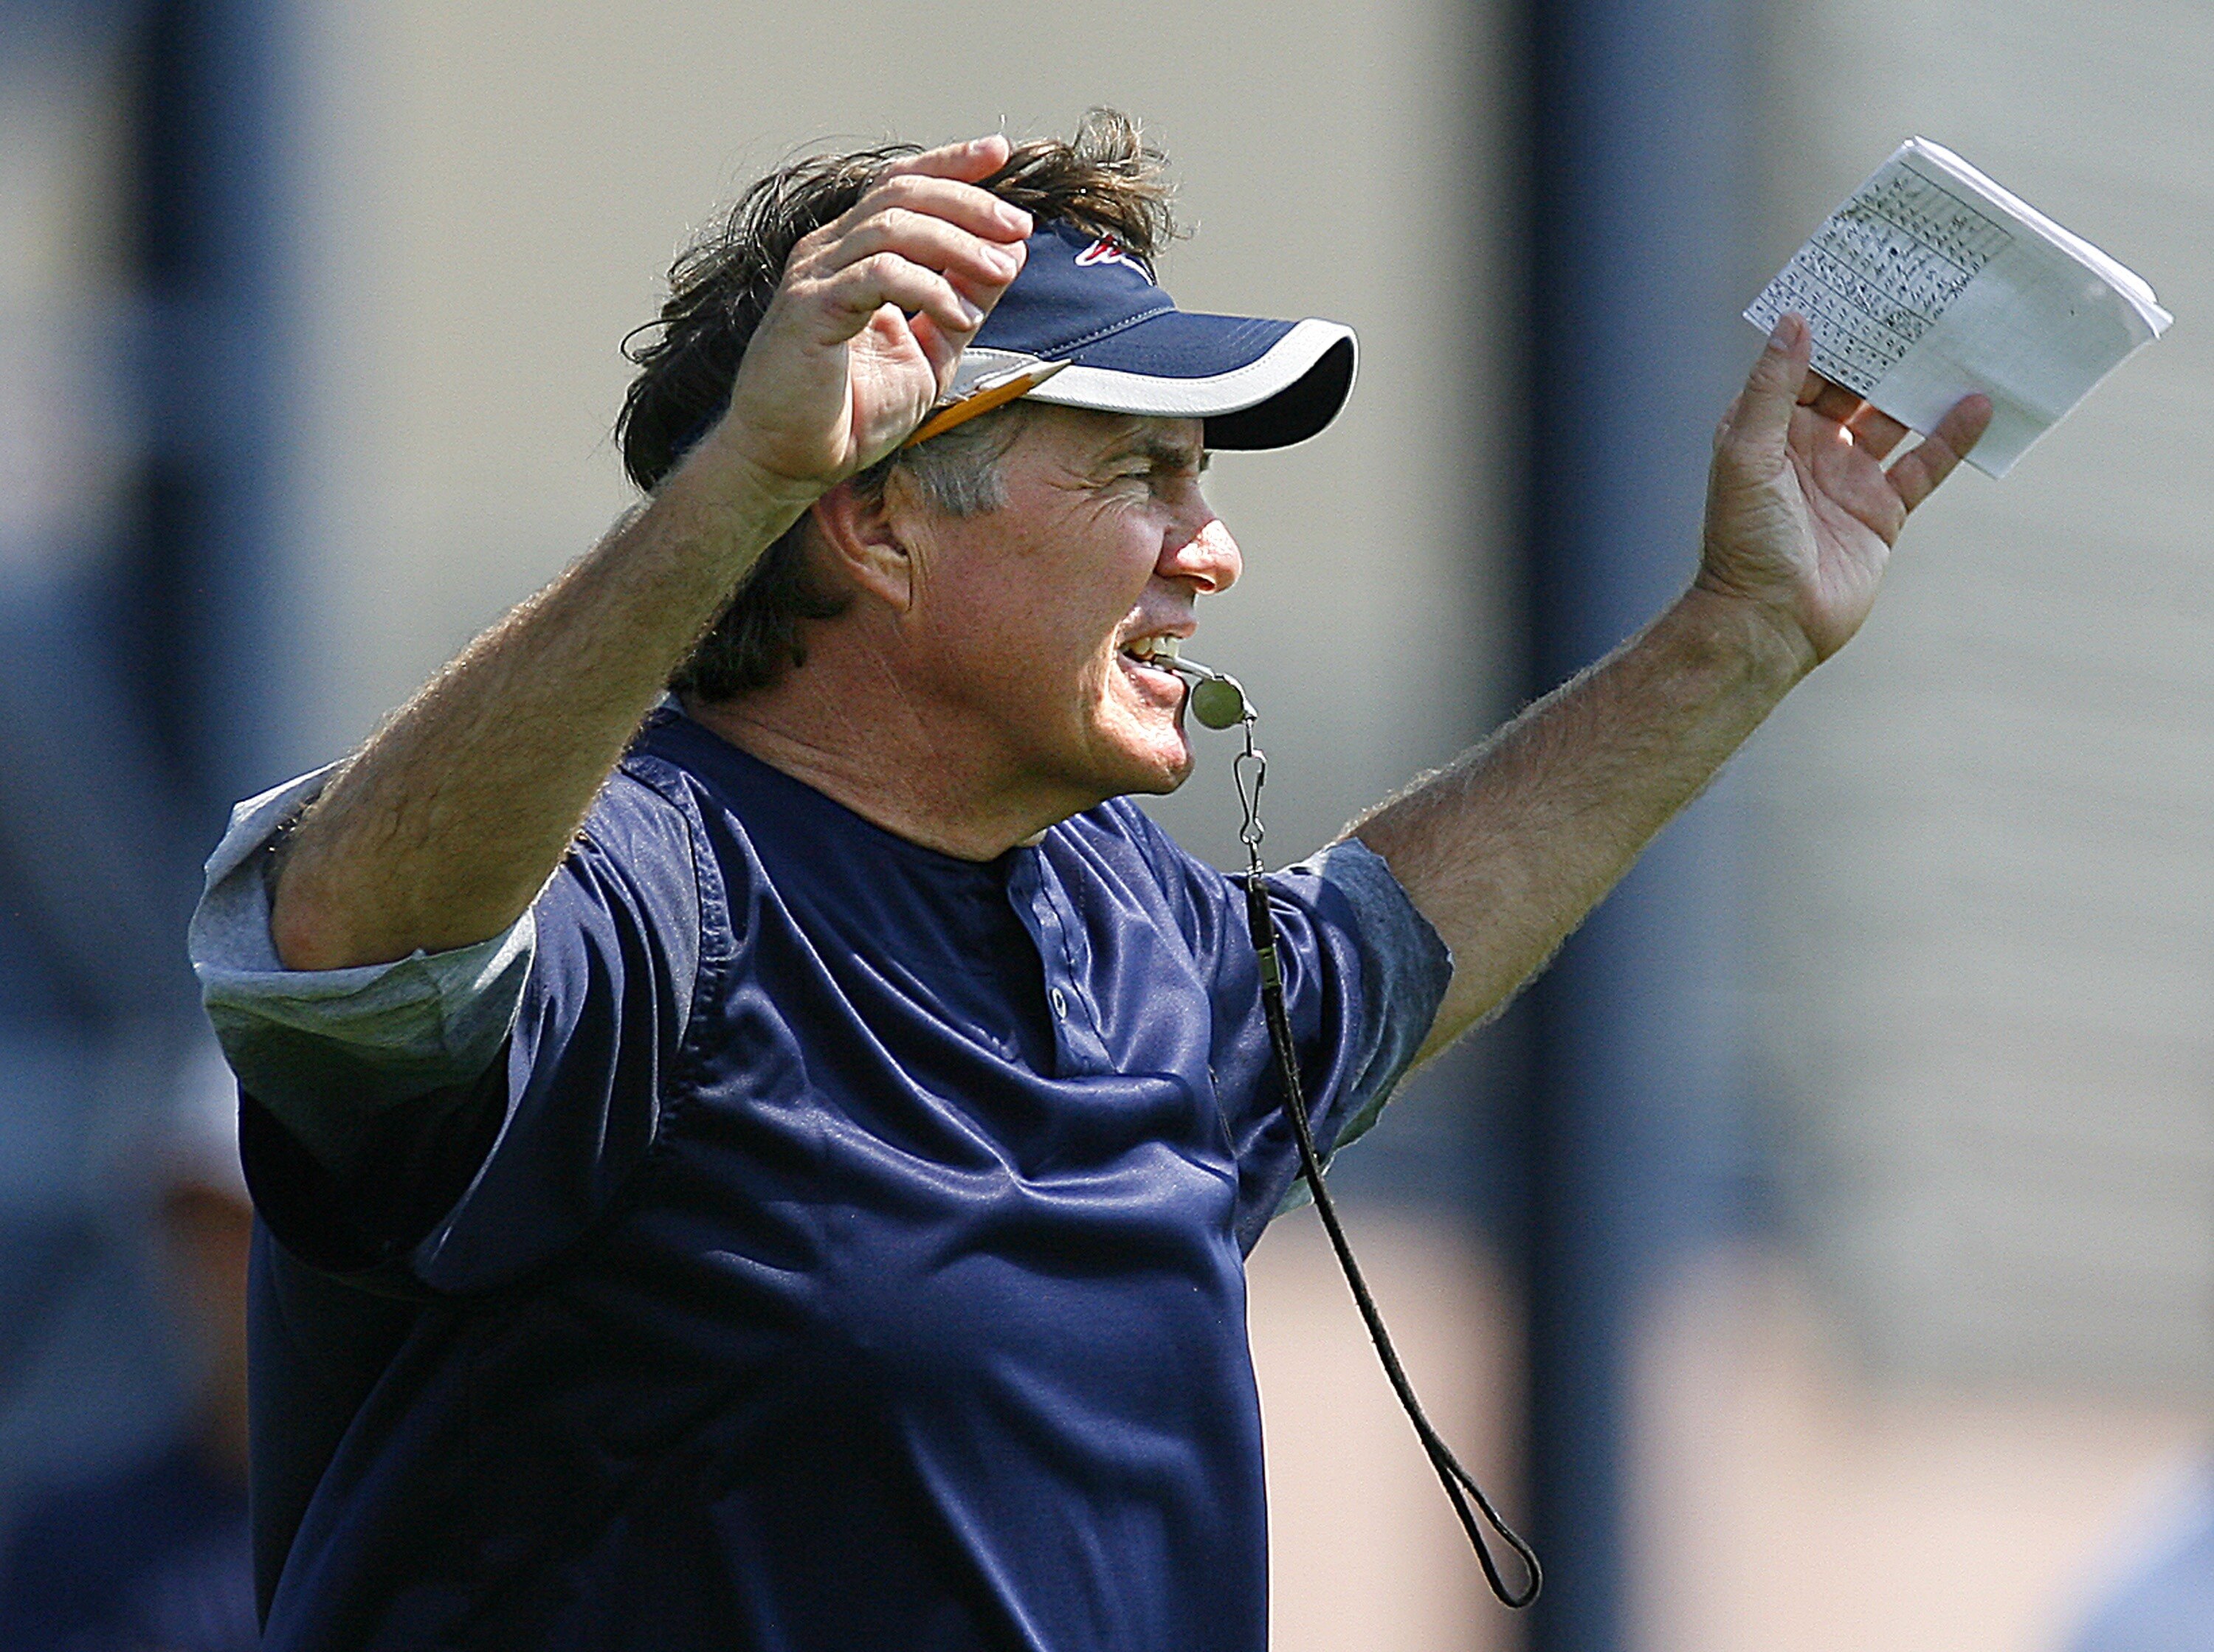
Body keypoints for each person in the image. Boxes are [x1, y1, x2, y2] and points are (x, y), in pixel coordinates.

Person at [190, 111, 1987, 1650]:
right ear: (874, 518)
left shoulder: (1133, 925)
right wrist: (741, 478)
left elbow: (1393, 939)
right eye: (1143, 470)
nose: (1210, 551)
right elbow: (339, 941)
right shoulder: (657, 886)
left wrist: (1738, 633)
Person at [0, 1042, 260, 1651]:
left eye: (253, 1227)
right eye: (201, 1227)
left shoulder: (429, 1523)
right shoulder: (76, 1542)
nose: (222, 1264)